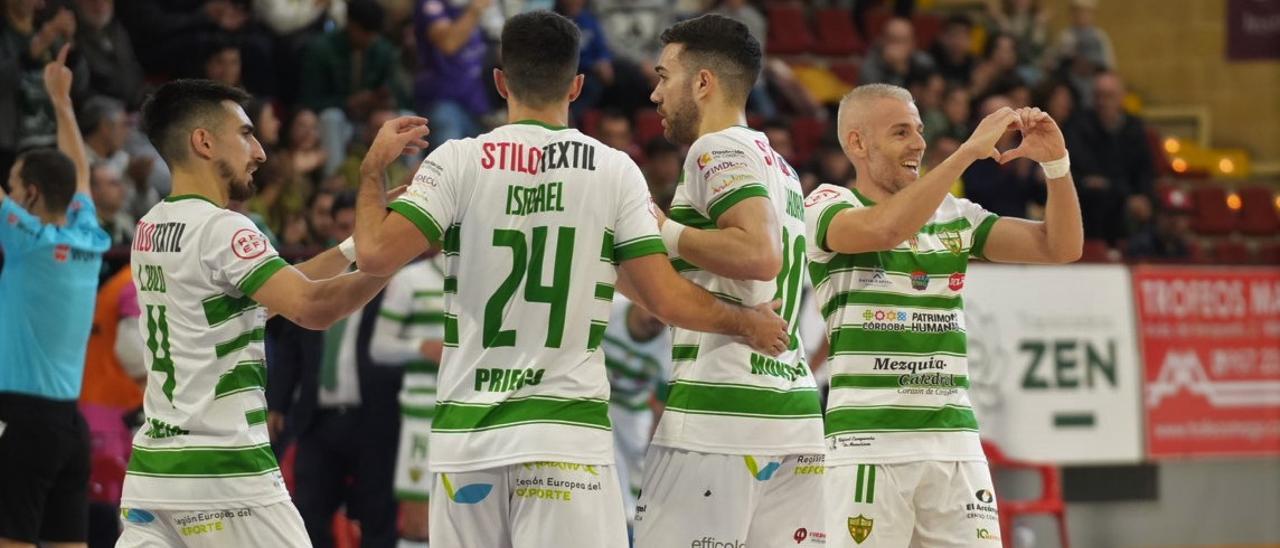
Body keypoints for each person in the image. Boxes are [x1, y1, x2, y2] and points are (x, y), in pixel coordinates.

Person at [351, 11, 790, 548]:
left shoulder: (456, 161)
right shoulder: (613, 169)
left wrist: (372, 173)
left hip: (468, 439)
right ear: (577, 86)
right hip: (567, 438)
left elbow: (373, 255)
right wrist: (744, 322)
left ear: (500, 81)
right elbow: (665, 298)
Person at [114, 78, 417, 546]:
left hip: (155, 474)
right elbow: (313, 308)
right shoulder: (223, 228)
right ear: (204, 141)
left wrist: (360, 246)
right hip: (225, 472)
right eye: (246, 134)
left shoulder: (150, 228)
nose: (259, 151)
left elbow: (263, 298)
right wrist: (396, 249)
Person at [803, 83, 1082, 547]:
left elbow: (1061, 246)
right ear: (857, 143)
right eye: (900, 132)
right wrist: (968, 153)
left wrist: (1057, 164)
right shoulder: (828, 205)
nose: (918, 143)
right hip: (866, 446)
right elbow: (887, 227)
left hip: (954, 443)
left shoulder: (955, 215)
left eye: (919, 130)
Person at [635, 14, 824, 547]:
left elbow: (759, 255)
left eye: (664, 75)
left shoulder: (715, 150)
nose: (654, 93)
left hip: (721, 417)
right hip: (794, 417)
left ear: (702, 82)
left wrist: (664, 230)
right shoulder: (780, 166)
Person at [0, 45, 108, 548]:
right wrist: (61, 101)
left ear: (31, 196)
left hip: (20, 423)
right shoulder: (89, 236)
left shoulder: (28, 241)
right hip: (70, 428)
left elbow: (74, 175)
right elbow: (79, 173)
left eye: (13, 185)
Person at [266, 191, 403, 548]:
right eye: (344, 228)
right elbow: (292, 348)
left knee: (377, 515)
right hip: (318, 417)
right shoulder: (312, 281)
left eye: (356, 228)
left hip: (375, 417)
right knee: (309, 515)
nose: (352, 237)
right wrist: (277, 403)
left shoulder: (399, 280)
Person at [367, 252, 449, 548]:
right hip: (421, 412)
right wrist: (421, 346)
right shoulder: (410, 279)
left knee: (472, 516)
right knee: (418, 520)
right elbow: (378, 347)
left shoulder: (491, 279)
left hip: (477, 411)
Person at [600, 295, 670, 528]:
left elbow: (660, 406)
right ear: (639, 298)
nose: (658, 320)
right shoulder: (609, 309)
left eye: (665, 318)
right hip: (596, 400)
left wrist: (654, 448)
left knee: (642, 461)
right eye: (654, 312)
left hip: (634, 410)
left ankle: (631, 520)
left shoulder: (669, 345)